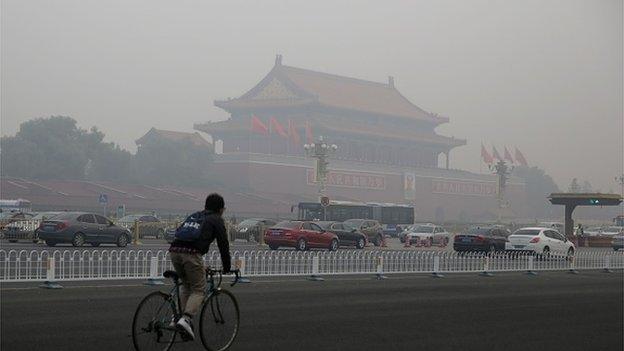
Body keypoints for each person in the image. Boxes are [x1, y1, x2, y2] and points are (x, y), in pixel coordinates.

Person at [168, 193, 232, 340]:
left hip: (174, 251)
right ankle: (185, 319)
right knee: (199, 289)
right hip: (191, 254)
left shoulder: (196, 215)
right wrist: (227, 267)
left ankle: (177, 318)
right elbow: (223, 245)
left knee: (186, 285)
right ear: (221, 209)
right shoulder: (216, 219)